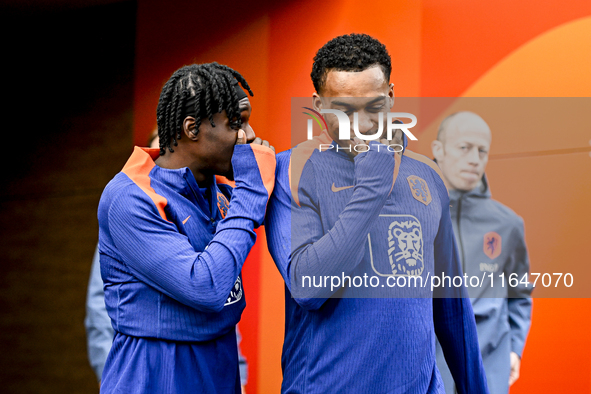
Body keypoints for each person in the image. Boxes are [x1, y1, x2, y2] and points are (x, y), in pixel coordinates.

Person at [264, 33, 488, 393]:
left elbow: (452, 307)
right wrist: (372, 185)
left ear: (391, 97)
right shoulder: (290, 170)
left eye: (374, 107)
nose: (362, 126)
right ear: (319, 105)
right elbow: (309, 286)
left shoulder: (426, 175)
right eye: (344, 111)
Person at [97, 62, 275, 393]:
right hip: (156, 373)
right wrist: (251, 194)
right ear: (192, 128)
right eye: (236, 123)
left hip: (220, 365)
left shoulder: (222, 192)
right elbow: (204, 287)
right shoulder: (129, 198)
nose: (249, 136)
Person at [84, 128, 250, 391]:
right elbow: (101, 311)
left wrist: (237, 374)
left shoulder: (214, 202)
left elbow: (223, 300)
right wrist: (121, 376)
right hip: (148, 373)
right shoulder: (131, 209)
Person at [431, 111, 533, 394]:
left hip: (490, 366)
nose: (475, 159)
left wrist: (514, 349)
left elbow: (519, 293)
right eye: (464, 148)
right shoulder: (418, 215)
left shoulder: (508, 223)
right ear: (438, 150)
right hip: (431, 368)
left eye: (482, 150)